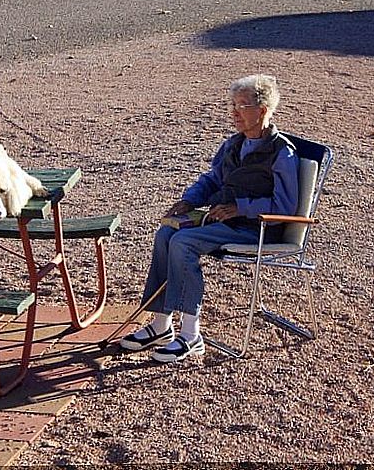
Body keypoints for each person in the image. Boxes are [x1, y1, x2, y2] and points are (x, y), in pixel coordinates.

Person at [120, 74, 300, 362]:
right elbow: (213, 179)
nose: (234, 113)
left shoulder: (282, 154)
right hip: (225, 222)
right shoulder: (233, 144)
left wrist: (241, 208)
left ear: (263, 110)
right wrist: (189, 200)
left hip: (258, 229)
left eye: (242, 106)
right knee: (166, 234)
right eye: (233, 105)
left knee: (183, 243)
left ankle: (191, 336)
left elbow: (287, 207)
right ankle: (161, 325)